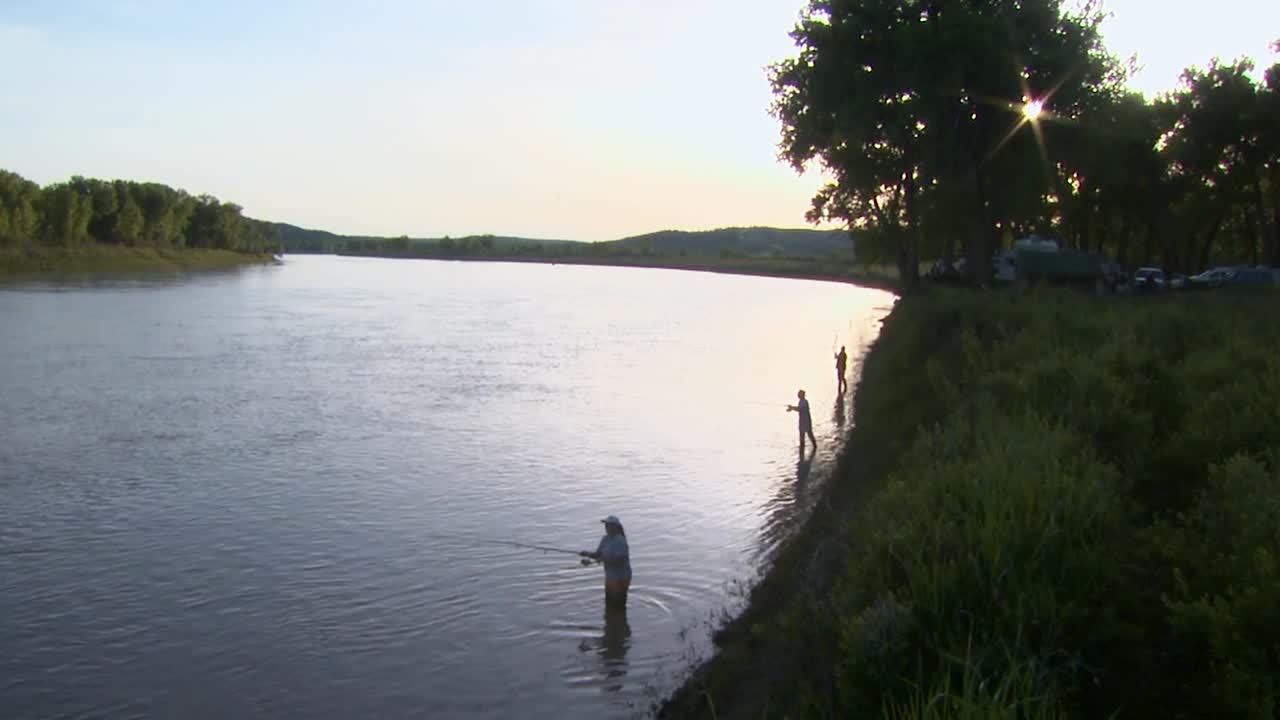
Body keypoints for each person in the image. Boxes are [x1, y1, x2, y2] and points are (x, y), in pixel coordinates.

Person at [581, 515, 631, 608]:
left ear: (616, 527)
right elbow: (598, 554)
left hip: (621, 578)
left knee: (618, 606)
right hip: (610, 577)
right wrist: (587, 554)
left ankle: (617, 617)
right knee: (608, 603)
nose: (607, 527)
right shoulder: (605, 539)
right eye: (606, 525)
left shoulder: (620, 541)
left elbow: (619, 560)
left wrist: (596, 561)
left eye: (610, 525)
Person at [786, 389, 817, 454]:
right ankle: (803, 448)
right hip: (803, 421)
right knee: (803, 435)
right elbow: (799, 408)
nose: (798, 395)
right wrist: (791, 408)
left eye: (799, 394)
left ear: (802, 395)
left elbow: (799, 409)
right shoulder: (801, 401)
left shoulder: (804, 402)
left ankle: (813, 446)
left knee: (809, 434)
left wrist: (791, 408)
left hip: (806, 421)